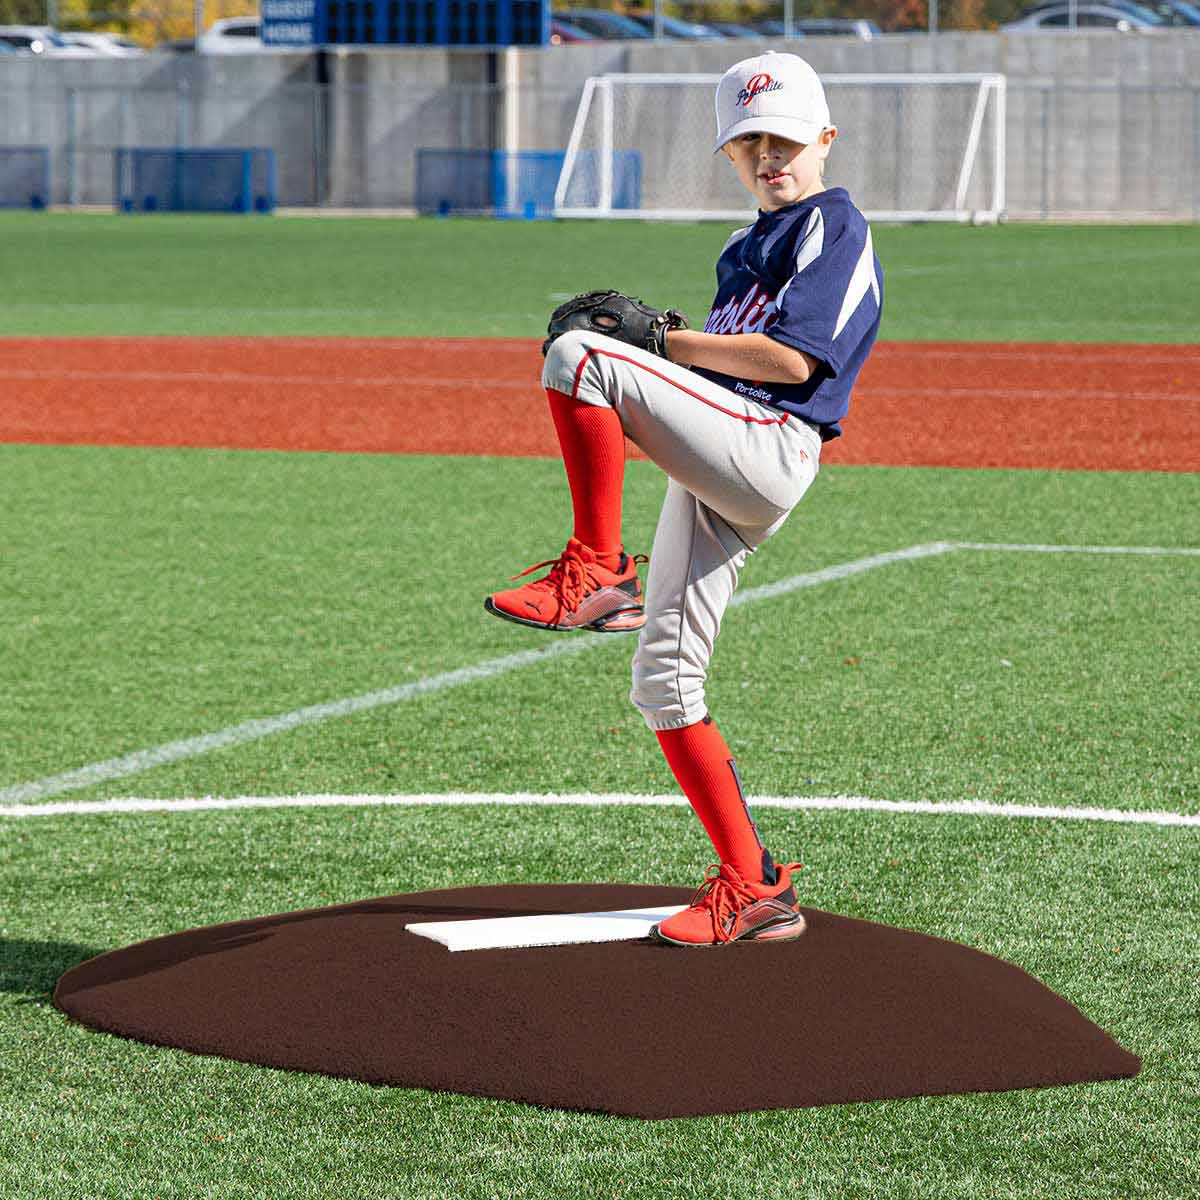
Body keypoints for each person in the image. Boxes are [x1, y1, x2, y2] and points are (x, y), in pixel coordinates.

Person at [484, 52, 883, 946]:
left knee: (578, 356)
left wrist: (660, 340)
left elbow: (792, 364)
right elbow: (705, 368)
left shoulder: (835, 226)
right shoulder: (741, 250)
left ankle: (595, 569)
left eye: (784, 138)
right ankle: (757, 885)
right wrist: (666, 349)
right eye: (749, 145)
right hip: (725, 456)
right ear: (730, 157)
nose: (769, 156)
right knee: (665, 682)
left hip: (772, 447)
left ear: (824, 138)